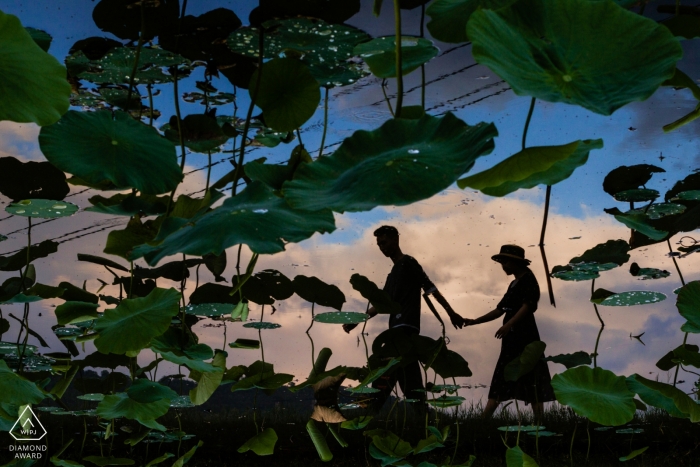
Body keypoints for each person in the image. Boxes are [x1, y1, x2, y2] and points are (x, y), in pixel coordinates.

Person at [343, 225, 464, 408]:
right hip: (395, 329)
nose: (382, 247)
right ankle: (418, 413)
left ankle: (372, 411)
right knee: (406, 376)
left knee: (388, 370)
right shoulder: (392, 274)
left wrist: (451, 313)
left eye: (384, 242)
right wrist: (356, 321)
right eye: (378, 245)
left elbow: (430, 288)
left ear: (395, 239)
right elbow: (381, 304)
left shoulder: (408, 263)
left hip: (406, 327)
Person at [463, 244, 555, 419]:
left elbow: (528, 306)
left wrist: (509, 325)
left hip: (525, 334)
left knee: (531, 373)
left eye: (505, 262)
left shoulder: (529, 279)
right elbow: (500, 309)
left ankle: (539, 420)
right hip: (512, 336)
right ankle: (485, 418)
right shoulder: (514, 283)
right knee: (504, 373)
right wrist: (475, 321)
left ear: (514, 262)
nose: (503, 266)